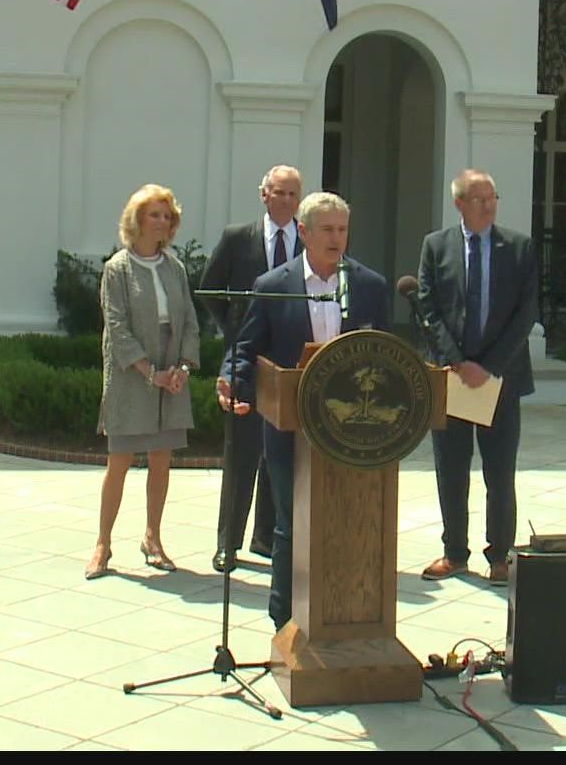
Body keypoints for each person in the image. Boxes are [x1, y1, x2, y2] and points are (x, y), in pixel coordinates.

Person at [216, 191, 391, 629]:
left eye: (342, 230)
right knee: (291, 523)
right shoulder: (274, 286)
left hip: (355, 431)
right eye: (327, 230)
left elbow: (387, 356)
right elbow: (246, 347)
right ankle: (286, 620)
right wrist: (232, 383)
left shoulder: (369, 286)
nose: (336, 238)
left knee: (351, 523)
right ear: (305, 232)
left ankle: (348, 615)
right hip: (290, 426)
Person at [415, 168, 538, 585]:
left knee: (499, 472)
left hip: (500, 379)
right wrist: (456, 361)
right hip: (450, 375)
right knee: (450, 468)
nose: (488, 205)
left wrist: (487, 366)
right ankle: (454, 552)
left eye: (492, 197)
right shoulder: (436, 245)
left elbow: (526, 313)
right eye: (479, 199)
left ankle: (500, 555)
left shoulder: (519, 248)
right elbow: (428, 306)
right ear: (459, 204)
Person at [88, 184, 202, 580]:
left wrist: (183, 368)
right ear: (136, 220)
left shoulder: (176, 269)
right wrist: (148, 372)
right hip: (131, 377)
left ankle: (153, 538)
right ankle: (102, 544)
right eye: (154, 214)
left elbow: (188, 320)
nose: (162, 222)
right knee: (118, 462)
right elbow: (116, 327)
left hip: (170, 375)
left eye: (167, 216)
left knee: (161, 460)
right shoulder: (116, 268)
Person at [197, 164, 301, 573]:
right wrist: (235, 331)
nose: (287, 201)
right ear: (264, 195)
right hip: (246, 362)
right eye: (280, 193)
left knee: (280, 454)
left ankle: (266, 537)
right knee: (241, 454)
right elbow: (209, 289)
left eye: (294, 194)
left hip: (290, 365)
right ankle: (228, 544)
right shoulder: (238, 238)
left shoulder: (307, 239)